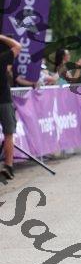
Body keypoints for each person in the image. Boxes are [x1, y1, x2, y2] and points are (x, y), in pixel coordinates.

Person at [0, 34, 22, 179]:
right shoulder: (3, 58)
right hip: (4, 101)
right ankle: (8, 166)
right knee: (8, 133)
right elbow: (18, 46)